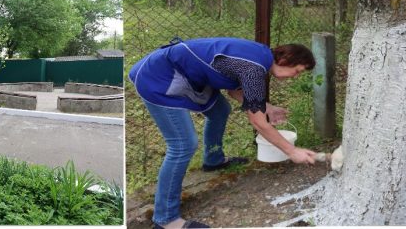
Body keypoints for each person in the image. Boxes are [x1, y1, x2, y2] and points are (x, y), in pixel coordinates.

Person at [129, 38, 318, 229]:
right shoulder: (254, 68)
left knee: (220, 111)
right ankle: (165, 219)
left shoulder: (260, 56)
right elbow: (258, 123)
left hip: (184, 73)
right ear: (286, 60)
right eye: (298, 71)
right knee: (182, 145)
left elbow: (234, 91)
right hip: (158, 77)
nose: (294, 76)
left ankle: (213, 159)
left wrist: (266, 107)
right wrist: (292, 151)